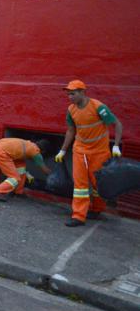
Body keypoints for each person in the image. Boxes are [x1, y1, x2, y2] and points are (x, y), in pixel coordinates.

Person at [55, 80, 123, 227]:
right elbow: (71, 130)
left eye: (72, 94)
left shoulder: (98, 107)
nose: (70, 97)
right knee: (80, 185)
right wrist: (63, 150)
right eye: (68, 94)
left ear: (83, 92)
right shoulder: (71, 110)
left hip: (99, 152)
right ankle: (78, 216)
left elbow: (117, 123)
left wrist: (116, 146)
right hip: (79, 150)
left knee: (97, 183)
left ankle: (97, 209)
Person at [0, 138, 51, 202]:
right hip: (0, 152)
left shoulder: (29, 144)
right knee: (14, 178)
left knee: (21, 170)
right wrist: (52, 176)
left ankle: (18, 192)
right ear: (44, 151)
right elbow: (44, 169)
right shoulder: (35, 151)